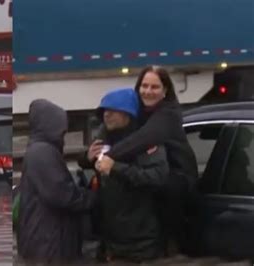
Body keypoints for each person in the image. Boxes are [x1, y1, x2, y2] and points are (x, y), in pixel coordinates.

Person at [82, 65, 198, 255]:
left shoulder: (167, 114)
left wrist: (109, 158)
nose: (148, 91)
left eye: (154, 87)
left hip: (178, 181)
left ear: (165, 90)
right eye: (144, 86)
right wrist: (89, 158)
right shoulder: (139, 112)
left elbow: (142, 139)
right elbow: (100, 150)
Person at [88, 88, 170, 263]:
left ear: (128, 114)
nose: (106, 115)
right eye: (104, 111)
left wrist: (115, 168)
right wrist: (86, 160)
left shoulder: (145, 141)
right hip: (110, 240)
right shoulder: (104, 139)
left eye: (112, 111)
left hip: (138, 243)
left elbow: (157, 177)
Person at [17, 99, 98, 264]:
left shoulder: (39, 150)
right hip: (48, 243)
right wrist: (93, 197)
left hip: (44, 240)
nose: (64, 133)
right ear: (51, 126)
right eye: (62, 129)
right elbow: (62, 194)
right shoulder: (43, 152)